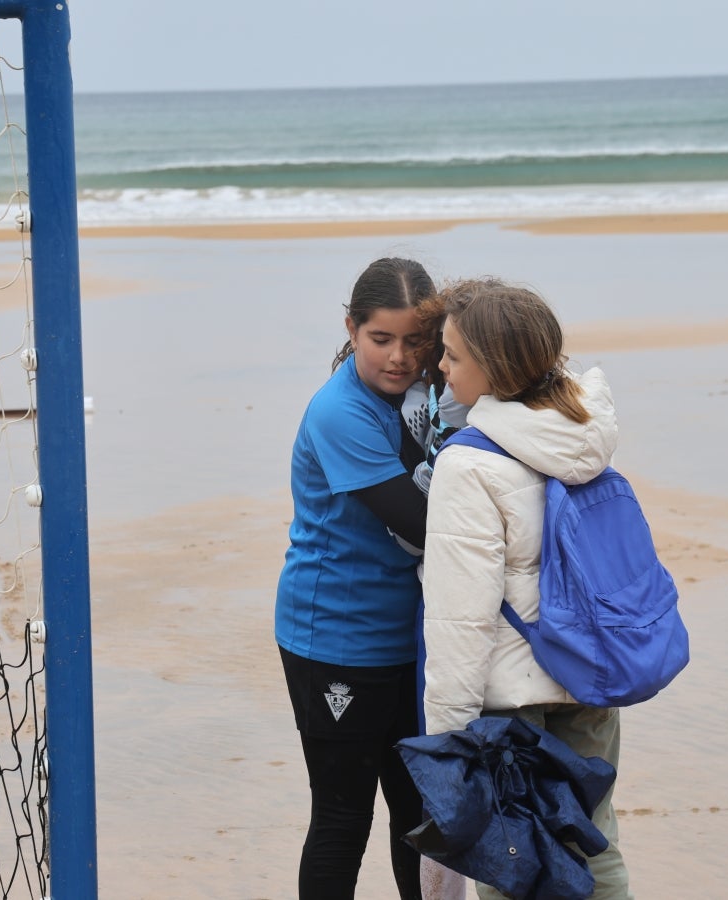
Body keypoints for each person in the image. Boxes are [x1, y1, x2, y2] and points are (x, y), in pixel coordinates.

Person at [421, 277, 634, 900]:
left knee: (515, 865)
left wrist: (448, 736)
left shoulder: (468, 463)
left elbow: (463, 616)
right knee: (594, 843)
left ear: (493, 368)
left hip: (513, 697)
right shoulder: (581, 432)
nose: (440, 366)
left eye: (453, 355)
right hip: (590, 672)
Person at [275, 257, 435, 900]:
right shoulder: (341, 411)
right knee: (344, 818)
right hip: (335, 636)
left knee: (419, 817)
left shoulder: (430, 400)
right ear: (352, 328)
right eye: (381, 339)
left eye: (417, 341)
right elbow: (423, 525)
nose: (399, 358)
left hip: (408, 635)